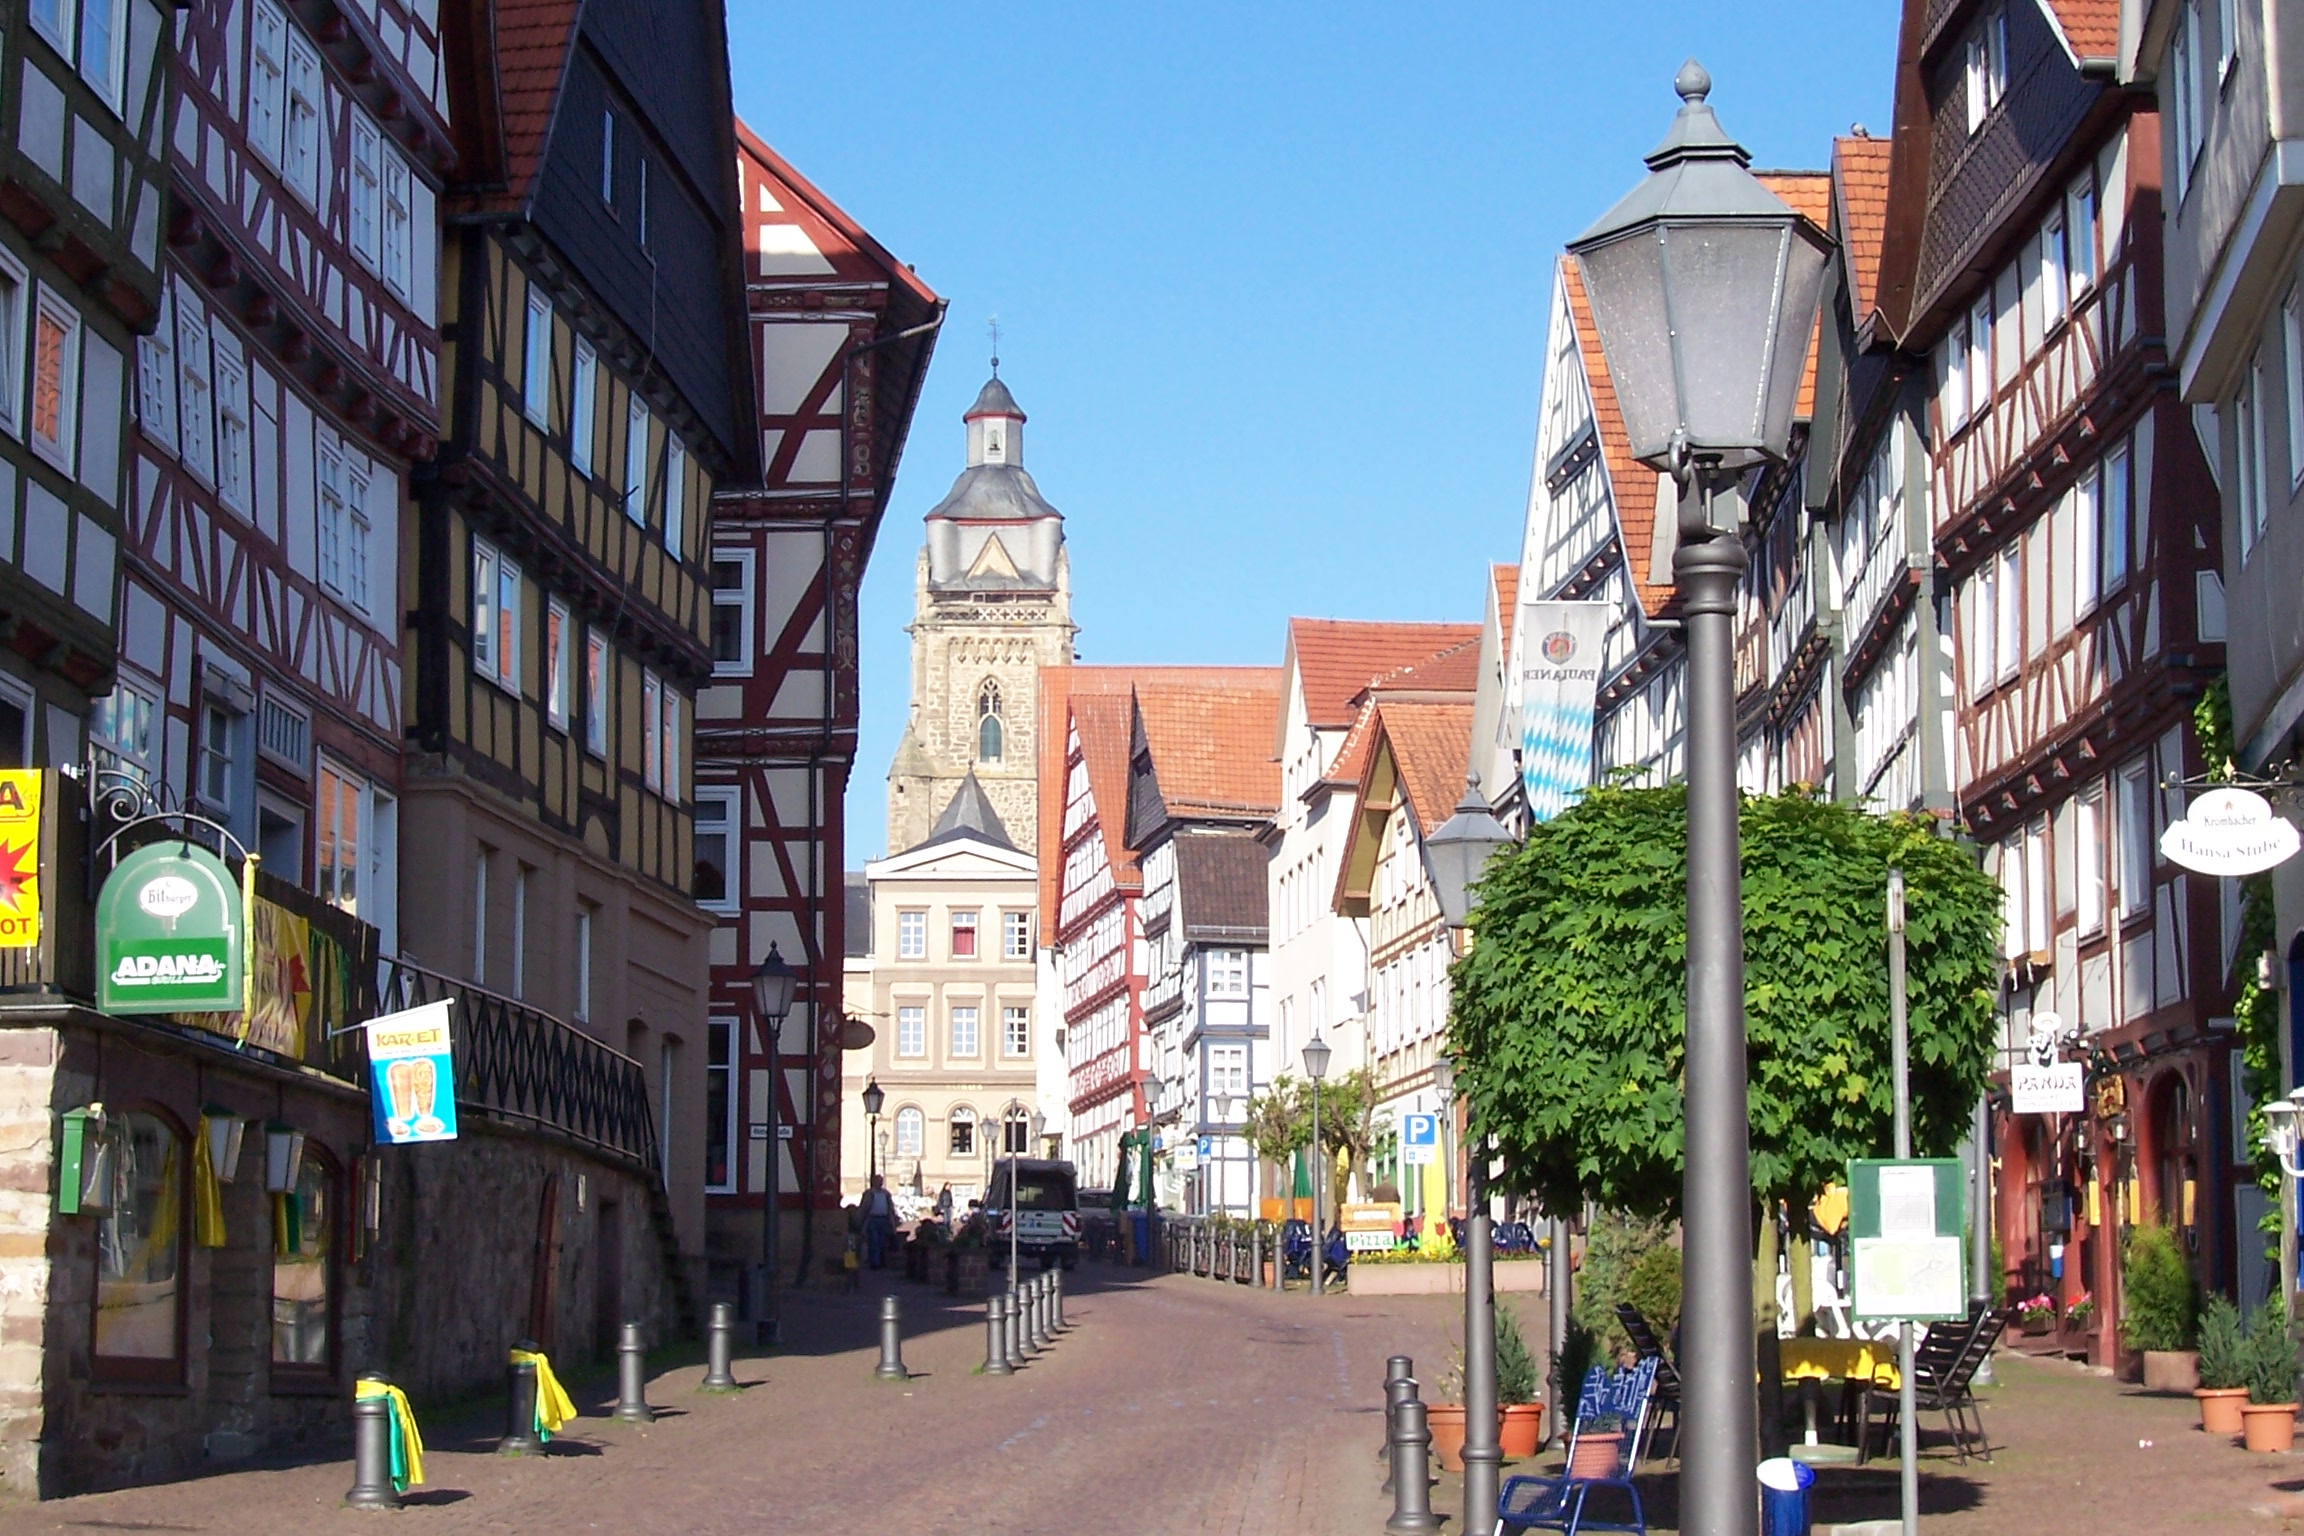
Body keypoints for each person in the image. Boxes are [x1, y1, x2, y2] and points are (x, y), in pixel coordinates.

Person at [860, 1174, 897, 1270]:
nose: (880, 1183)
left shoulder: (886, 1193)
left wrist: (892, 1219)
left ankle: (880, 1260)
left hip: (884, 1219)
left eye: (881, 1181)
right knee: (874, 1240)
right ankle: (875, 1262)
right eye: (878, 1181)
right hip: (873, 1218)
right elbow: (864, 1208)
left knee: (882, 1241)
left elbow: (890, 1207)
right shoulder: (869, 1193)